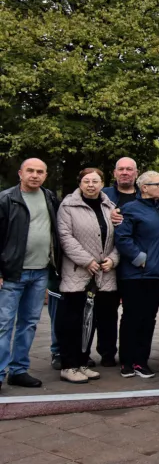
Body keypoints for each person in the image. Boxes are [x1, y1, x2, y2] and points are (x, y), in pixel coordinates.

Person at [55, 168, 121, 384]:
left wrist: (113, 259)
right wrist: (87, 261)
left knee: (90, 322)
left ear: (102, 183)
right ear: (80, 183)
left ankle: (82, 362)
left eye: (95, 181)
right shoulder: (68, 206)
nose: (91, 185)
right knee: (72, 321)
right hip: (78, 273)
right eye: (86, 181)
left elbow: (118, 237)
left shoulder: (109, 206)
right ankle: (68, 365)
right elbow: (65, 237)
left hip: (104, 275)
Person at [0, 159, 60, 390]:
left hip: (40, 272)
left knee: (29, 323)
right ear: (20, 173)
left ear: (45, 175)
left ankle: (18, 370)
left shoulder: (49, 197)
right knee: (4, 324)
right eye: (30, 171)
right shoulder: (6, 199)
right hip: (12, 273)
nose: (35, 175)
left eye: (40, 172)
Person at [114, 171, 159, 379]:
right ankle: (127, 362)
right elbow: (122, 238)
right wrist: (140, 258)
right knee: (132, 318)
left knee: (148, 319)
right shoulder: (131, 209)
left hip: (157, 275)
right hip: (136, 276)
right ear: (144, 188)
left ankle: (141, 361)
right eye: (158, 184)